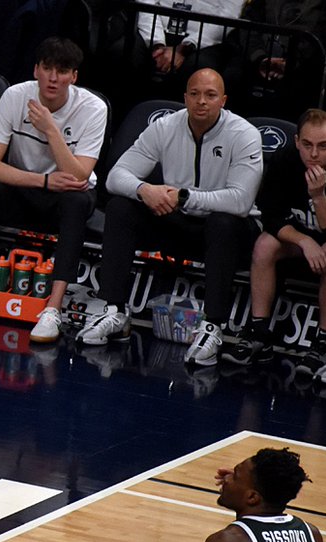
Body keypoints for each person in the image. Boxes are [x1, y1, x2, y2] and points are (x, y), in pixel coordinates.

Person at [79, 69, 261, 366]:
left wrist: (185, 196)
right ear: (185, 98)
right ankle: (114, 311)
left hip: (229, 233)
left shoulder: (244, 135)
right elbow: (115, 177)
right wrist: (144, 189)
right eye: (195, 94)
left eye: (210, 95)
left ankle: (213, 327)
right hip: (178, 219)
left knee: (223, 222)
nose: (202, 101)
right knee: (120, 208)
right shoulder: (166, 127)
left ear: (223, 100)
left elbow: (240, 201)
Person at [0, 36, 107, 343]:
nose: (54, 78)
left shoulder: (93, 108)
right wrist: (42, 181)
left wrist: (51, 129)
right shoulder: (15, 96)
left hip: (67, 193)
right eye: (48, 68)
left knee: (76, 202)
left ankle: (53, 308)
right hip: (26, 185)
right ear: (36, 70)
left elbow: (79, 174)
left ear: (74, 77)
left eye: (63, 70)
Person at [224, 109, 326, 373]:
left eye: (323, 146)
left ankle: (324, 342)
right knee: (264, 244)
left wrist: (318, 197)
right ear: (296, 142)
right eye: (307, 145)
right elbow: (270, 215)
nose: (314, 154)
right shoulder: (285, 160)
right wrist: (304, 241)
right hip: (299, 239)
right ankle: (259, 332)